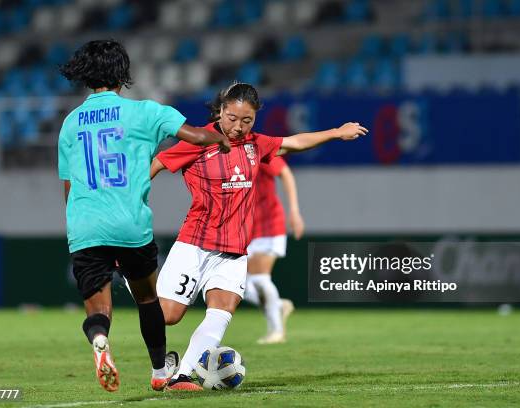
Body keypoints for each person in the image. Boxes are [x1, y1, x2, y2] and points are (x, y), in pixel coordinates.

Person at [150, 82, 368, 391]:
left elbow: (294, 142)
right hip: (194, 244)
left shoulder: (256, 144)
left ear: (254, 119)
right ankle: (144, 305)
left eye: (246, 120)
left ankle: (182, 376)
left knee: (222, 310)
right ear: (220, 111)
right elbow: (158, 162)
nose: (237, 127)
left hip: (235, 249)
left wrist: (335, 132)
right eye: (231, 118)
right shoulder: (198, 139)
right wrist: (130, 199)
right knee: (168, 316)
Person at [57, 39, 230, 393]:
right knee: (148, 299)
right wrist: (221, 139)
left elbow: (68, 188)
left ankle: (101, 339)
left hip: (86, 224)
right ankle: (158, 370)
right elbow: (196, 137)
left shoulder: (70, 123)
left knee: (98, 309)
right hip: (130, 224)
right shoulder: (146, 112)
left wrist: (80, 225)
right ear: (123, 73)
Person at [244, 155, 304, 344]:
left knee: (261, 278)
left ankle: (277, 331)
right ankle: (277, 305)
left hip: (269, 224)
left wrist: (294, 211)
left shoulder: (258, 149)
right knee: (242, 286)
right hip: (246, 228)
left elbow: (285, 173)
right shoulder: (225, 152)